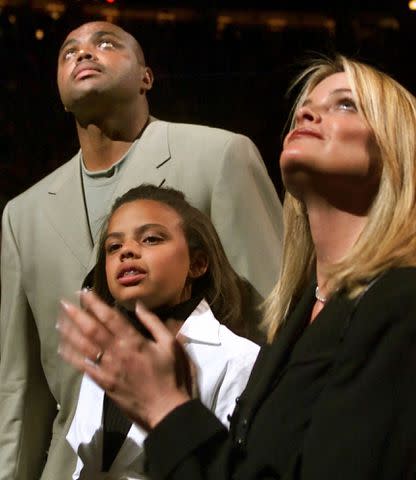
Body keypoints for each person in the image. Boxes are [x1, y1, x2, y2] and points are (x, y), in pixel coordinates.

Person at [59, 55, 416, 479]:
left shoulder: (401, 302)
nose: (305, 111)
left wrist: (167, 409)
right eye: (307, 103)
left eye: (344, 104)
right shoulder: (295, 321)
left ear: (397, 147)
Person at [0, 20, 282, 480]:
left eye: (105, 44)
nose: (84, 54)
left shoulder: (221, 156)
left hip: (198, 455)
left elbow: (274, 317)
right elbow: (20, 386)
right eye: (68, 52)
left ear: (146, 77)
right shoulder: (22, 214)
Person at [64, 184, 260, 479]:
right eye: (113, 247)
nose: (127, 251)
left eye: (151, 238)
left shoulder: (239, 360)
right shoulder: (101, 360)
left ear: (197, 263)